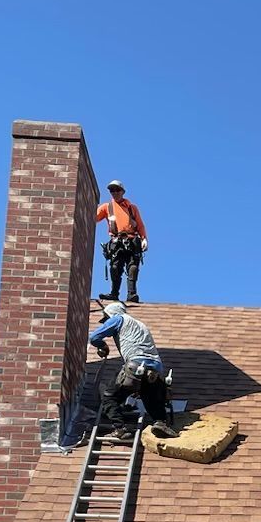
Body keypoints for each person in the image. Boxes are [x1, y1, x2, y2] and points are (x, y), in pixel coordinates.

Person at [90, 301, 178, 443]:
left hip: (135, 365)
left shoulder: (118, 319)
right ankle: (160, 423)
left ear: (111, 314)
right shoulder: (140, 324)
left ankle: (120, 429)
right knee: (150, 398)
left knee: (109, 397)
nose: (106, 322)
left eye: (106, 318)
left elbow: (94, 337)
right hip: (155, 370)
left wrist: (102, 346)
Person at [96, 178, 147, 303]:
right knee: (115, 267)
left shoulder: (131, 208)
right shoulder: (107, 207)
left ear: (123, 191)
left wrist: (144, 239)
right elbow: (93, 217)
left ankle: (132, 294)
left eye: (117, 190)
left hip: (132, 240)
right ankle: (114, 293)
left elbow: (140, 225)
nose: (115, 192)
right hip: (116, 241)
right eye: (112, 190)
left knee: (133, 267)